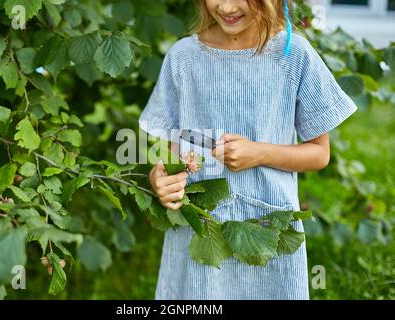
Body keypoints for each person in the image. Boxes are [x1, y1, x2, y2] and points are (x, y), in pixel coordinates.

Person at [138, 0, 358, 299]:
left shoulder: (293, 56)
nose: (227, 7)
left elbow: (319, 154)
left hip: (269, 228)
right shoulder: (183, 58)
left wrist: (260, 153)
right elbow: (174, 157)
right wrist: (160, 179)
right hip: (202, 229)